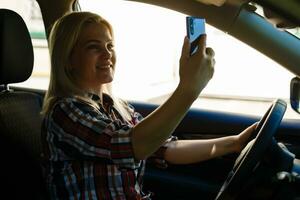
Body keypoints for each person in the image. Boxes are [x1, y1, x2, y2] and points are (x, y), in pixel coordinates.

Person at [41, 11, 257, 200]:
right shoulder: (65, 112)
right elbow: (135, 145)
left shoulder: (116, 107)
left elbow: (164, 147)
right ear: (68, 59)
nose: (107, 54)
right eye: (93, 47)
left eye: (109, 45)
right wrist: (189, 88)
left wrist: (235, 143)